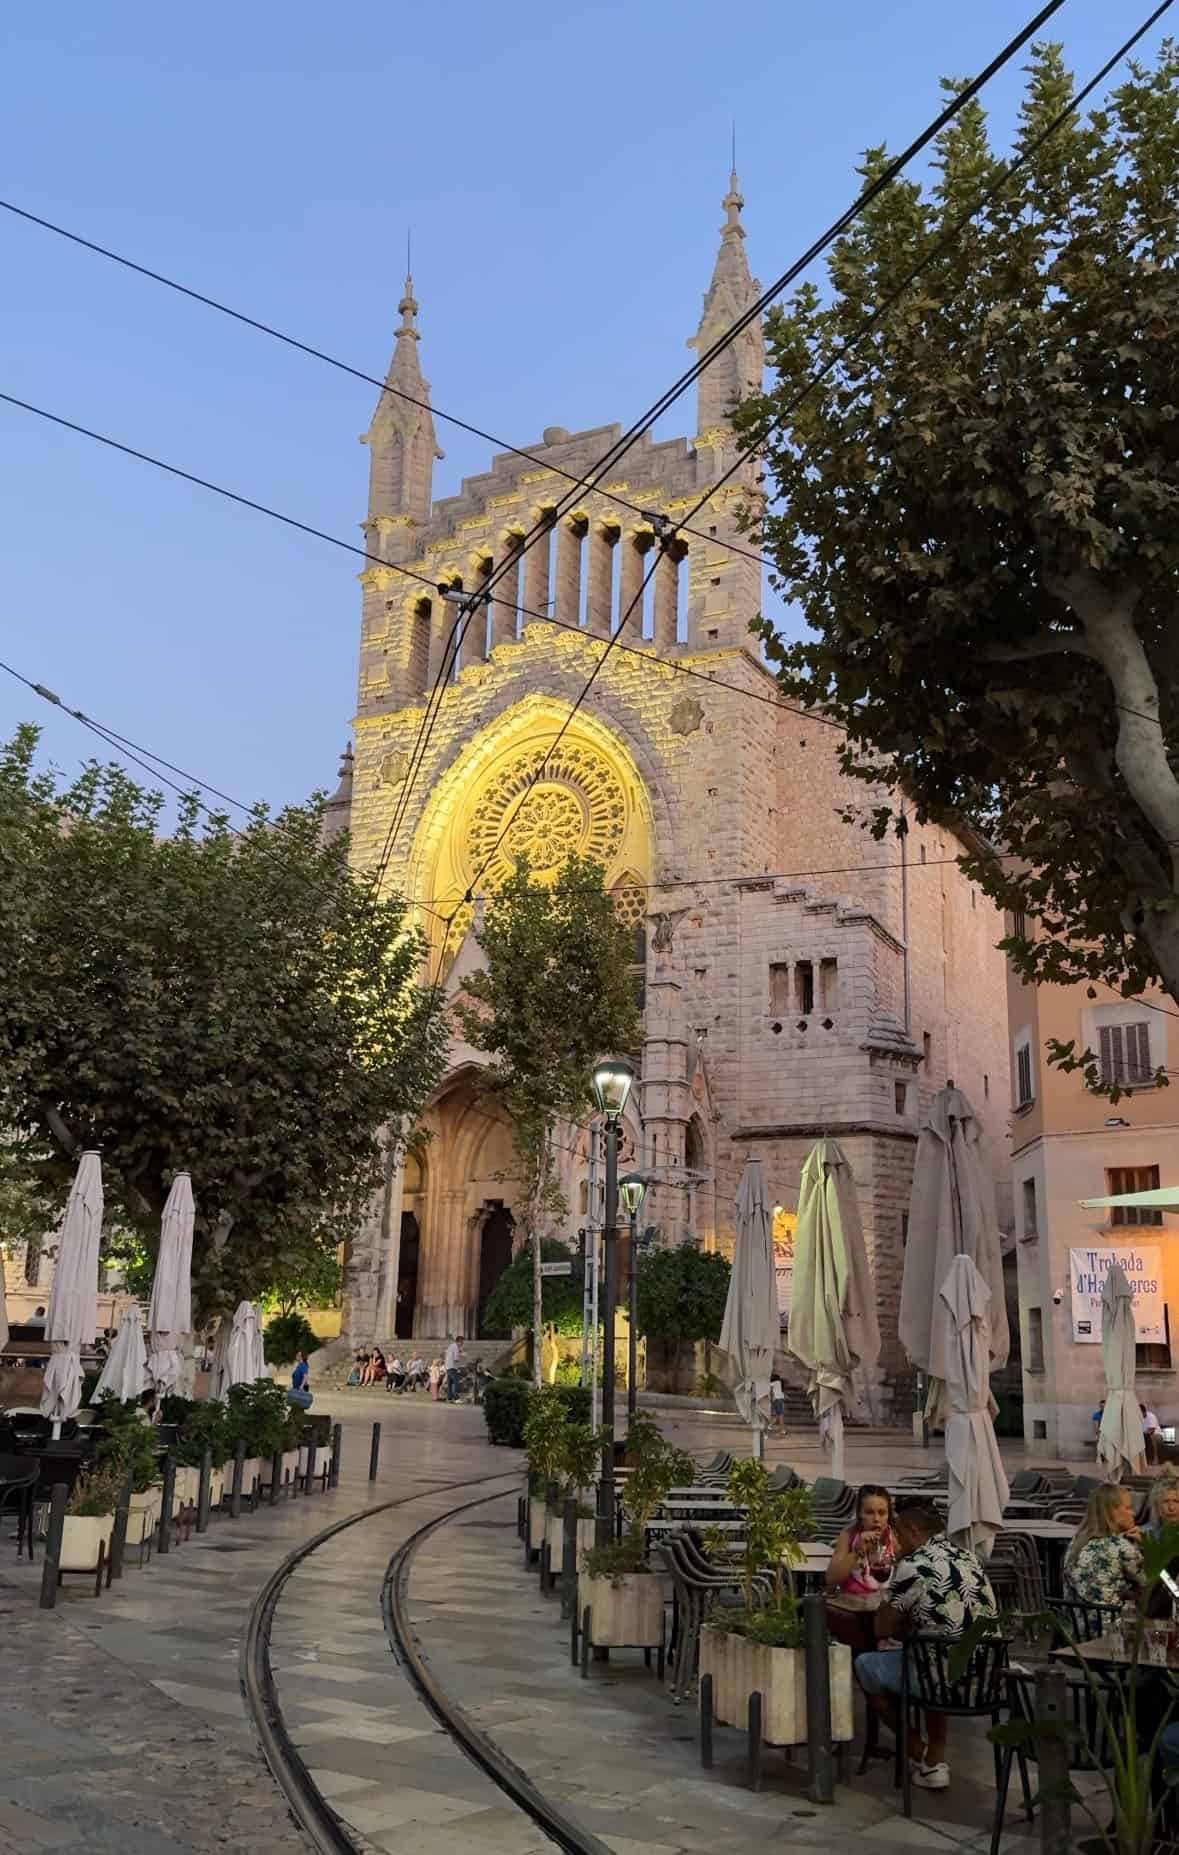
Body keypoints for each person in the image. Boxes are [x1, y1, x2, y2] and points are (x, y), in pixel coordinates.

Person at [854, 1499, 997, 1792]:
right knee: (929, 1655)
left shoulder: (913, 1566)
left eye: (897, 1534)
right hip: (987, 1680)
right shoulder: (969, 1558)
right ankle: (935, 1757)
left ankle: (918, 1750)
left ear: (912, 1531)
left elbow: (882, 1628)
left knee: (866, 1665)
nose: (894, 1541)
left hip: (944, 1681)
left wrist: (893, 1603)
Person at [825, 1486, 898, 1653]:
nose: (876, 1519)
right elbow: (831, 1579)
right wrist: (858, 1551)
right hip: (854, 1613)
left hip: (884, 1614)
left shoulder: (895, 1537)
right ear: (859, 1515)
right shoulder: (849, 1535)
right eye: (869, 1512)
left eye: (882, 1512)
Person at [1064, 1483, 1144, 1609]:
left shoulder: (1075, 1542)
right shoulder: (1121, 1547)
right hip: (1113, 1624)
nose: (1133, 1513)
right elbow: (1159, 1584)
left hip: (1078, 1624)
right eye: (1128, 1508)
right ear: (1112, 1512)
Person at [445, 1335, 463, 1402]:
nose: (462, 1344)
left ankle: (449, 1398)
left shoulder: (451, 1345)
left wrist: (460, 1353)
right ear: (459, 1341)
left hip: (448, 1366)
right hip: (452, 1367)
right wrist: (459, 1367)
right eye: (462, 1342)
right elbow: (456, 1359)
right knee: (456, 1382)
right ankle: (456, 1398)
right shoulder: (456, 1347)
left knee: (450, 1383)